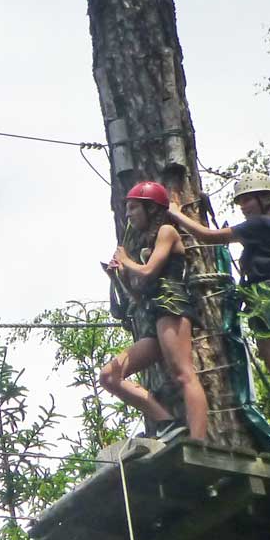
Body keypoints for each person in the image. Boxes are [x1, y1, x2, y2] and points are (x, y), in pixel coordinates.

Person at [165, 173, 270, 465]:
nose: (243, 205)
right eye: (240, 200)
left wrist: (175, 214)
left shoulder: (263, 223)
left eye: (247, 199)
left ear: (266, 198)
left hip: (269, 302)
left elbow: (207, 238)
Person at [98, 180, 209, 443]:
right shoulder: (148, 242)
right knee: (109, 376)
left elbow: (149, 271)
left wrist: (127, 261)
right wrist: (120, 276)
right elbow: (139, 293)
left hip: (171, 307)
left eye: (134, 208)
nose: (129, 215)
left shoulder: (167, 231)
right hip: (153, 314)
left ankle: (198, 440)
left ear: (151, 209)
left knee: (183, 373)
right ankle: (165, 422)